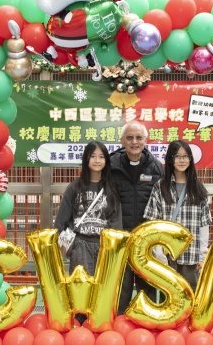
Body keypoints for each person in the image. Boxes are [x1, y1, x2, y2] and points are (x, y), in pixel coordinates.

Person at [54, 141, 122, 323]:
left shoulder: (110, 189)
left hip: (103, 246)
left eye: (101, 157)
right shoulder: (74, 187)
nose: (97, 160)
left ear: (106, 161)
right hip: (81, 245)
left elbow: (116, 222)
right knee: (80, 290)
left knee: (102, 291)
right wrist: (66, 243)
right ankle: (80, 326)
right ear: (86, 159)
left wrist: (113, 248)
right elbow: (61, 220)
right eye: (93, 156)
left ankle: (98, 326)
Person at [143, 140, 212, 292]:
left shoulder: (198, 188)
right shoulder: (160, 187)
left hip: (191, 256)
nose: (182, 160)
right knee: (168, 296)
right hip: (167, 257)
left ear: (190, 159)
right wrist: (158, 254)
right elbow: (152, 224)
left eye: (185, 156)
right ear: (170, 159)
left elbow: (204, 225)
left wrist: (202, 256)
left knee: (190, 296)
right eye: (177, 156)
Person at [110, 121, 164, 314]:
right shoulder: (111, 166)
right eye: (130, 138)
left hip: (146, 241)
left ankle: (145, 324)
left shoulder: (156, 168)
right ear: (122, 141)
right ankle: (119, 325)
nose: (134, 142)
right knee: (120, 287)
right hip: (121, 239)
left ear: (145, 140)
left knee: (146, 286)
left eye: (139, 137)